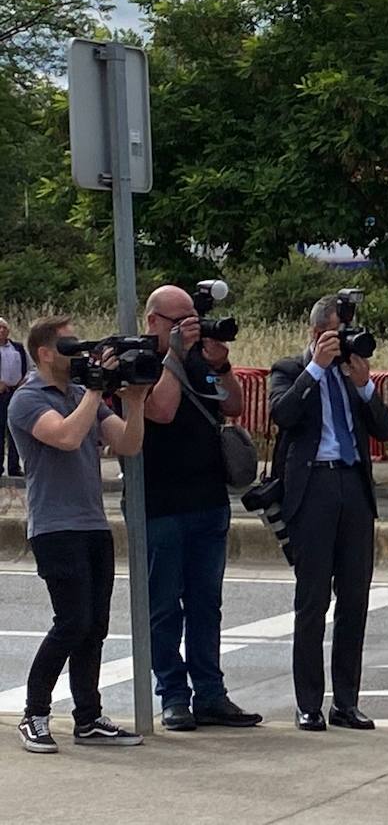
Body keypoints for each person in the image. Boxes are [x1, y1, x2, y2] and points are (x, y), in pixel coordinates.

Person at [8, 315, 151, 753]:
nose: (77, 353)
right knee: (71, 622)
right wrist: (93, 389)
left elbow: (127, 444)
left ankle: (88, 718)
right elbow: (67, 437)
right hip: (54, 526)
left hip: (92, 523)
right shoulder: (28, 399)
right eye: (68, 346)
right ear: (45, 352)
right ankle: (34, 713)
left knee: (95, 627)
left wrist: (136, 400)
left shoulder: (77, 394)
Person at [269, 294, 388, 732]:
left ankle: (346, 700)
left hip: (353, 485)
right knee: (312, 599)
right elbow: (282, 414)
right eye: (336, 334)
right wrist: (316, 368)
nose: (343, 342)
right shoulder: (290, 369)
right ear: (316, 332)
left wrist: (365, 385)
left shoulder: (350, 373)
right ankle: (308, 703)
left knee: (355, 599)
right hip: (314, 486)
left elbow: (386, 428)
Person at [139, 286, 260, 731]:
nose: (190, 326)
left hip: (210, 500)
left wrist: (220, 363)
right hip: (162, 504)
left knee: (207, 604)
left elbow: (233, 405)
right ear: (153, 321)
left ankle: (211, 692)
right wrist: (173, 355)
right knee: (165, 606)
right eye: (179, 320)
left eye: (194, 318)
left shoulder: (197, 358)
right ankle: (173, 695)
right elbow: (162, 411)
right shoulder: (140, 360)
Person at [0, 316, 29, 476]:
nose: (2, 331)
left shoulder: (17, 348)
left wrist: (23, 382)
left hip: (16, 391)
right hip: (1, 393)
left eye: (4, 327)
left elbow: (29, 367)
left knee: (15, 429)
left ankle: (14, 466)